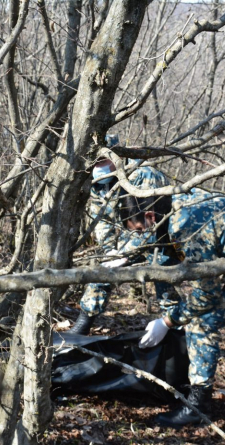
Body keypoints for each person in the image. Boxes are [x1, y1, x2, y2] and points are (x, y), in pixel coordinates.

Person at [118, 187, 225, 427]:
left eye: (140, 230)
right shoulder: (170, 205)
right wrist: (129, 258)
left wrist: (168, 321)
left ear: (150, 216)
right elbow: (163, 250)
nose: (141, 236)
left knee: (202, 322)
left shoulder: (186, 226)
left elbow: (206, 296)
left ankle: (197, 407)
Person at [70, 135, 181, 334]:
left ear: (117, 155)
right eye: (95, 161)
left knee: (164, 276)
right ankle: (82, 324)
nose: (99, 165)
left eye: (103, 160)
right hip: (127, 238)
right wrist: (109, 252)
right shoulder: (99, 183)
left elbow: (150, 225)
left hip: (162, 237)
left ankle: (173, 327)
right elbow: (102, 221)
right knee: (101, 272)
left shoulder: (143, 175)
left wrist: (123, 255)